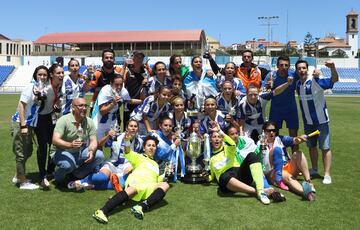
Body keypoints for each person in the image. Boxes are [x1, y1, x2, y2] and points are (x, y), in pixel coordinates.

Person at [93, 135, 171, 223]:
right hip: (137, 182)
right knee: (132, 190)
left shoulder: (156, 165)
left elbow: (158, 181)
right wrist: (126, 140)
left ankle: (140, 207)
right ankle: (102, 211)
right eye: (149, 145)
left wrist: (168, 176)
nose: (151, 148)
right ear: (144, 148)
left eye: (153, 146)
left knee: (165, 185)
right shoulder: (139, 157)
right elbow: (127, 151)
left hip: (149, 186)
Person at [205, 122, 271, 205]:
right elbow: (212, 176)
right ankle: (256, 191)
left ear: (222, 139)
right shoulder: (211, 160)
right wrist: (206, 177)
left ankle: (261, 191)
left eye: (219, 137)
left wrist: (219, 131)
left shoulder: (228, 148)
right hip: (227, 182)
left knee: (252, 155)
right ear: (211, 140)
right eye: (214, 137)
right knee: (223, 176)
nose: (217, 139)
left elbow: (232, 144)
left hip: (239, 174)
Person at [295, 60, 338, 184]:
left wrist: (332, 67)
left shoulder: (316, 81)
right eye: (299, 68)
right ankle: (314, 169)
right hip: (308, 122)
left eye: (304, 68)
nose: (301, 70)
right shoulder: (298, 84)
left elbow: (333, 80)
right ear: (297, 70)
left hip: (322, 121)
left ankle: (327, 174)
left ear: (307, 69)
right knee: (311, 146)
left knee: (325, 147)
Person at [68, 120, 143, 191]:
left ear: (138, 129)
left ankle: (92, 186)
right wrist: (108, 136)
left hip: (126, 165)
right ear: (126, 128)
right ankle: (80, 181)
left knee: (125, 182)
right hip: (112, 164)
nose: (133, 128)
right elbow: (99, 144)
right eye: (131, 126)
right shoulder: (117, 136)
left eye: (135, 126)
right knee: (102, 178)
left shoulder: (140, 141)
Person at [11, 65, 50, 190]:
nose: (42, 77)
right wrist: (23, 125)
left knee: (28, 151)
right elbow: (21, 106)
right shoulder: (30, 87)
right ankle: (22, 182)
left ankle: (18, 174)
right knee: (21, 152)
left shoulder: (42, 89)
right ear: (35, 75)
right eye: (40, 74)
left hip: (30, 124)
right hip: (22, 123)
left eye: (44, 75)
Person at [52, 98, 104, 186]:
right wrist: (70, 144)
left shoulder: (89, 121)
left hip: (79, 152)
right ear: (73, 108)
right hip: (62, 151)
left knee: (99, 155)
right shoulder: (64, 120)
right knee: (68, 165)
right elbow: (55, 140)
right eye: (81, 106)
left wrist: (92, 151)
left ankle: (76, 175)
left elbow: (93, 140)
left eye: (85, 105)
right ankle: (58, 178)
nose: (84, 108)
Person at [260, 121, 316, 200]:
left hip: (287, 166)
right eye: (269, 131)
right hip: (274, 171)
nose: (271, 132)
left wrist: (301, 138)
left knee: (298, 154)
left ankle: (309, 181)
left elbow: (295, 140)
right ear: (264, 132)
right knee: (289, 177)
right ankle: (306, 193)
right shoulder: (260, 143)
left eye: (274, 130)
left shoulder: (280, 139)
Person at [34, 63, 64, 189]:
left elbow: (56, 100)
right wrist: (39, 96)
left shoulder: (59, 85)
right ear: (52, 75)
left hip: (50, 118)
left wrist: (56, 108)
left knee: (55, 144)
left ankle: (50, 171)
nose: (61, 75)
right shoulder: (46, 87)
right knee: (43, 147)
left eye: (62, 72)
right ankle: (42, 177)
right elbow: (37, 99)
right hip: (39, 118)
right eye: (58, 73)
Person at [91, 75, 141, 140]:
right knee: (97, 144)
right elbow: (102, 111)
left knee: (115, 143)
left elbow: (129, 101)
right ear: (111, 84)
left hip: (112, 120)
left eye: (121, 84)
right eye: (116, 84)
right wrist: (113, 103)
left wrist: (143, 101)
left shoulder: (123, 91)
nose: (119, 87)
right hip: (99, 120)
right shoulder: (105, 90)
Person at [263, 55, 299, 142]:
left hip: (291, 109)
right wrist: (268, 86)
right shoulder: (271, 75)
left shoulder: (294, 75)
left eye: (286, 65)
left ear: (289, 66)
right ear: (277, 66)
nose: (284, 67)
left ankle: (294, 155)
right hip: (276, 109)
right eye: (281, 65)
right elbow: (264, 91)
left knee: (294, 136)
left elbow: (304, 79)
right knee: (273, 134)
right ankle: (274, 154)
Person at [88, 48, 122, 116]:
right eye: (106, 58)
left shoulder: (118, 71)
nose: (109, 59)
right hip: (98, 106)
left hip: (114, 106)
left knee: (114, 126)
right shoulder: (97, 73)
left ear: (114, 59)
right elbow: (91, 89)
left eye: (111, 57)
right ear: (102, 60)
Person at [122, 50, 149, 125]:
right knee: (128, 128)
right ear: (133, 58)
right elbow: (120, 81)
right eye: (137, 57)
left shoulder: (145, 71)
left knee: (141, 129)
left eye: (141, 58)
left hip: (141, 105)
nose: (139, 59)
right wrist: (124, 66)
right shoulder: (127, 70)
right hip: (129, 104)